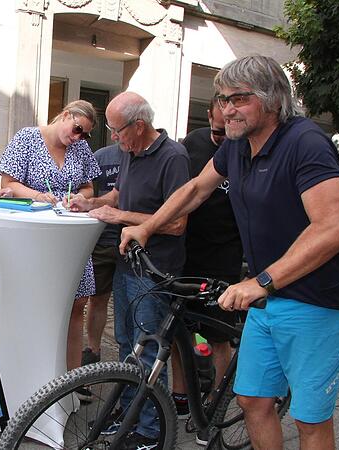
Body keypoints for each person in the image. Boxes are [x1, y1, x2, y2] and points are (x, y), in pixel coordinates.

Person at [120, 55, 339, 450]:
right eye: (222, 99)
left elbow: (335, 227)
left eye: (238, 99)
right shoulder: (238, 146)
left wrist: (262, 281)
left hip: (316, 301)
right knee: (252, 400)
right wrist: (147, 226)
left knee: (310, 420)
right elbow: (197, 188)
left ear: (272, 100)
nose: (225, 109)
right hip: (269, 297)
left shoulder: (305, 143)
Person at [66, 92, 189, 449]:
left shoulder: (173, 157)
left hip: (154, 271)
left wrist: (118, 218)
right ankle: (129, 411)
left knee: (148, 348)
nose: (113, 137)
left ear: (139, 125)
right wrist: (92, 203)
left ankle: (152, 431)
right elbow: (119, 193)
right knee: (124, 343)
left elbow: (178, 223)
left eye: (117, 130)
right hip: (127, 263)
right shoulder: (130, 150)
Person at [0, 100, 101, 374]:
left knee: (77, 303)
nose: (78, 137)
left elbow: (89, 187)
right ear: (66, 115)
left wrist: (79, 196)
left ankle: (71, 378)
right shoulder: (28, 138)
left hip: (70, 237)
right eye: (77, 129)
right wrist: (37, 195)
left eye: (85, 134)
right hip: (35, 238)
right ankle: (34, 374)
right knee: (39, 307)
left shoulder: (80, 148)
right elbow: (8, 184)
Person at [173, 97, 244, 444]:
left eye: (226, 133)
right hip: (189, 254)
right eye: (217, 132)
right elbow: (189, 190)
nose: (222, 138)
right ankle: (181, 397)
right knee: (179, 328)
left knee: (217, 337)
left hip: (225, 259)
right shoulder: (194, 142)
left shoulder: (243, 147)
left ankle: (215, 406)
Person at [80, 144, 123, 367]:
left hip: (132, 240)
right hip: (102, 240)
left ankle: (130, 359)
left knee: (129, 303)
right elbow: (89, 191)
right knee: (97, 299)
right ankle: (92, 350)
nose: (116, 133)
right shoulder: (101, 156)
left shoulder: (144, 156)